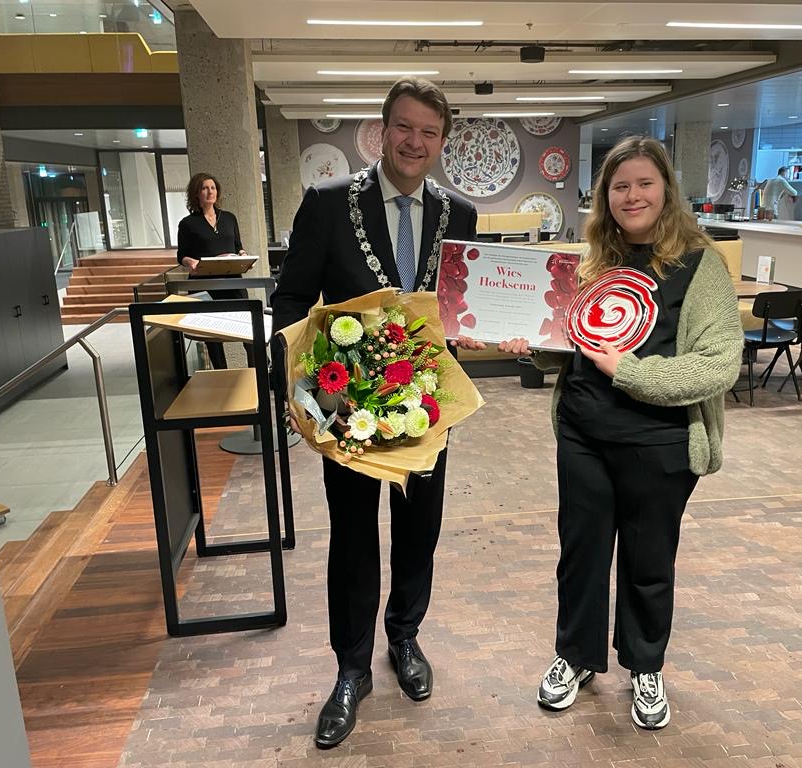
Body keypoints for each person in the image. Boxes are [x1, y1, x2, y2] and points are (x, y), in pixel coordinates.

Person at [500, 135, 743, 730]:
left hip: (659, 442)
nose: (632, 196)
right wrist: (532, 345)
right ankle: (575, 656)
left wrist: (629, 371)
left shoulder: (700, 265)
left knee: (648, 560)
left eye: (644, 183)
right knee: (580, 554)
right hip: (583, 433)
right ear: (604, 195)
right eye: (620, 186)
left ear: (666, 190)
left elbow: (718, 364)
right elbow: (570, 345)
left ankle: (645, 664)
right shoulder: (590, 264)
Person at [270, 77, 481, 749]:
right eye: (405, 127)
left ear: (442, 142)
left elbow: (459, 308)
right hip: (348, 410)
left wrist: (481, 330)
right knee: (354, 536)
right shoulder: (329, 203)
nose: (415, 142)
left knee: (420, 530)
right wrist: (299, 392)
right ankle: (351, 668)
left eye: (429, 132)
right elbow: (291, 299)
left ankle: (405, 638)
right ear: (382, 131)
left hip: (428, 406)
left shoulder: (460, 214)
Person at [176, 173, 252, 369]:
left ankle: (258, 371)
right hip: (204, 284)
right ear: (196, 194)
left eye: (213, 188)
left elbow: (238, 246)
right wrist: (191, 262)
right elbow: (182, 255)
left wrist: (244, 256)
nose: (210, 192)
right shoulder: (187, 224)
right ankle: (221, 373)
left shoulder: (229, 218)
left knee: (248, 329)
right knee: (213, 337)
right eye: (204, 188)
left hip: (233, 282)